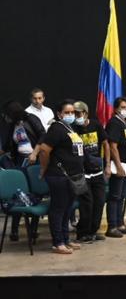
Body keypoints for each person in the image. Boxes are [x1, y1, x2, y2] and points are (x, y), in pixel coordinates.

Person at [37, 100, 85, 254]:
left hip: (74, 176)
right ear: (59, 114)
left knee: (67, 208)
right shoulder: (56, 129)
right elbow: (44, 150)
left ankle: (66, 239)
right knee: (58, 209)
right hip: (59, 176)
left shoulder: (70, 128)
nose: (71, 115)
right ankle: (58, 242)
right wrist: (44, 168)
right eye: (67, 113)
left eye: (73, 113)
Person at [0, 100, 46, 241]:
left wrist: (35, 153)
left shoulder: (31, 119)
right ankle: (14, 230)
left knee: (35, 194)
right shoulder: (12, 125)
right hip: (20, 161)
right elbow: (7, 146)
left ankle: (33, 230)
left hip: (35, 160)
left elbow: (43, 135)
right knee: (18, 194)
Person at [71, 101, 109, 243]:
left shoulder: (96, 124)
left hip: (97, 170)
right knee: (87, 203)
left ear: (85, 114)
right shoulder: (73, 128)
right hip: (81, 172)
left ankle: (93, 231)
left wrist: (108, 165)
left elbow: (106, 143)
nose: (76, 116)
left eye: (78, 113)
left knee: (99, 202)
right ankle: (83, 233)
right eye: (73, 113)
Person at [105, 96, 126, 238]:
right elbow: (113, 146)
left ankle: (120, 224)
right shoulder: (114, 123)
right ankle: (112, 226)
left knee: (122, 195)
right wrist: (118, 165)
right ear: (116, 109)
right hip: (119, 164)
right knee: (115, 195)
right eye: (123, 107)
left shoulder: (125, 122)